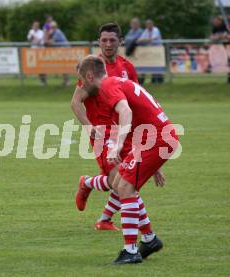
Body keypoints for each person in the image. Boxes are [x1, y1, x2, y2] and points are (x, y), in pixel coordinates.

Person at [74, 55, 179, 264]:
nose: (81, 85)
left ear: (89, 75)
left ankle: (131, 251)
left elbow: (126, 111)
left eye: (82, 80)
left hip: (155, 139)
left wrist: (120, 144)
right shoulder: (117, 82)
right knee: (120, 183)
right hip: (154, 138)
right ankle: (148, 239)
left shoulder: (106, 86)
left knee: (124, 188)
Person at [74, 23, 142, 232]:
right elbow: (76, 101)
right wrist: (88, 126)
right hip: (102, 134)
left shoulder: (127, 67)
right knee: (118, 182)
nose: (108, 44)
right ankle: (146, 235)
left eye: (112, 40)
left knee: (129, 181)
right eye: (104, 40)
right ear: (98, 42)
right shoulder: (92, 68)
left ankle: (104, 219)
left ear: (120, 41)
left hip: (123, 130)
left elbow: (135, 101)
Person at [136, 19, 164, 83]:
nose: (148, 26)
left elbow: (152, 39)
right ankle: (153, 80)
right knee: (151, 65)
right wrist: (143, 40)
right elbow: (140, 39)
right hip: (150, 51)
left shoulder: (156, 30)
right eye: (147, 25)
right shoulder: (146, 31)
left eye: (149, 24)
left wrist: (143, 40)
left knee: (158, 66)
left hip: (158, 51)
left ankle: (159, 80)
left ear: (152, 24)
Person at [45, 21, 70, 86]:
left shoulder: (57, 32)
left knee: (65, 66)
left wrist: (46, 40)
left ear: (55, 27)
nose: (51, 28)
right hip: (62, 50)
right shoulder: (55, 32)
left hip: (65, 50)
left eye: (53, 27)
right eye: (51, 27)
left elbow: (51, 42)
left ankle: (67, 81)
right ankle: (65, 81)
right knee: (63, 65)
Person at [27, 20, 47, 85]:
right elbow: (29, 40)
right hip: (33, 53)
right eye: (34, 25)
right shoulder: (31, 31)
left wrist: (34, 39)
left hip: (41, 52)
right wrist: (33, 38)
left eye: (37, 25)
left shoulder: (41, 32)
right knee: (37, 68)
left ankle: (44, 80)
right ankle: (42, 81)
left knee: (42, 67)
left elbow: (39, 41)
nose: (35, 26)